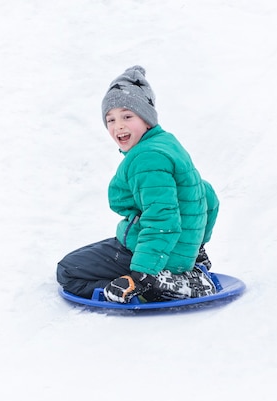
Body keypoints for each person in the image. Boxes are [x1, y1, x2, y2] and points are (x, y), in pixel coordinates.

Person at [56, 65, 220, 304]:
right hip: (177, 251)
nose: (118, 126)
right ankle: (179, 274)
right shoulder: (167, 144)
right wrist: (196, 249)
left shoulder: (146, 158)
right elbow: (206, 195)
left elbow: (162, 218)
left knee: (68, 270)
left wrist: (143, 272)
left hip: (156, 257)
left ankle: (144, 287)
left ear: (147, 118)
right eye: (110, 119)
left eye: (127, 116)